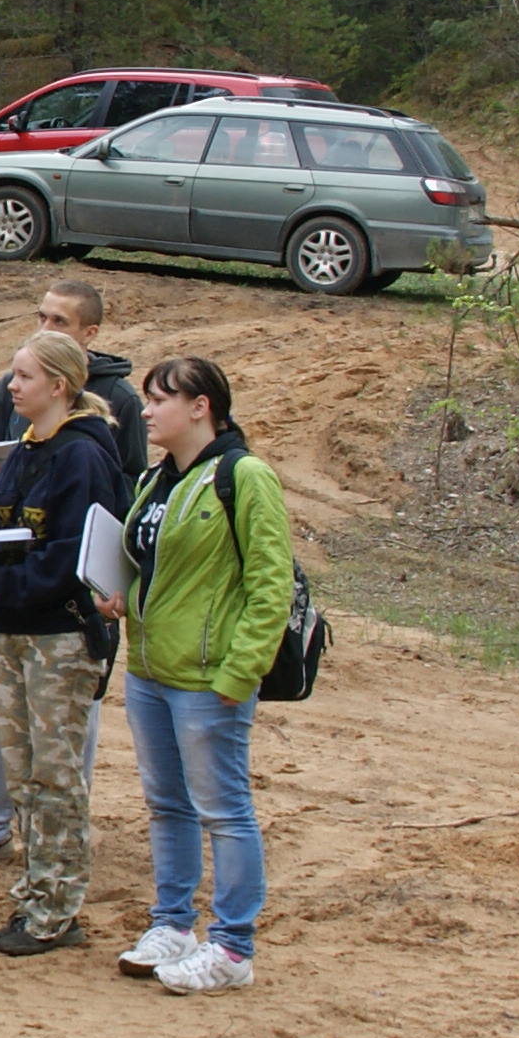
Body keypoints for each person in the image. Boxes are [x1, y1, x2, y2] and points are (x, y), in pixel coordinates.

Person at [112, 352, 299, 993]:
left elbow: (270, 585)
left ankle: (233, 947)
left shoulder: (244, 476)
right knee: (167, 806)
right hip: (149, 669)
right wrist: (119, 596)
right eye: (147, 398)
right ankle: (172, 923)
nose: (148, 410)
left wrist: (239, 671)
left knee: (223, 808)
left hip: (207, 676)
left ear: (201, 407)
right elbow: (148, 566)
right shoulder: (155, 480)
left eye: (161, 399)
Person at [0, 329, 131, 958]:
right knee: (23, 773)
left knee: (56, 774)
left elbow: (72, 560)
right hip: (15, 629)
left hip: (61, 636)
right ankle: (34, 892)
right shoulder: (23, 451)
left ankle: (57, 907)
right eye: (11, 374)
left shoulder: (83, 456)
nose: (11, 386)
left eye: (23, 376)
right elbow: (7, 538)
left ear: (60, 385)